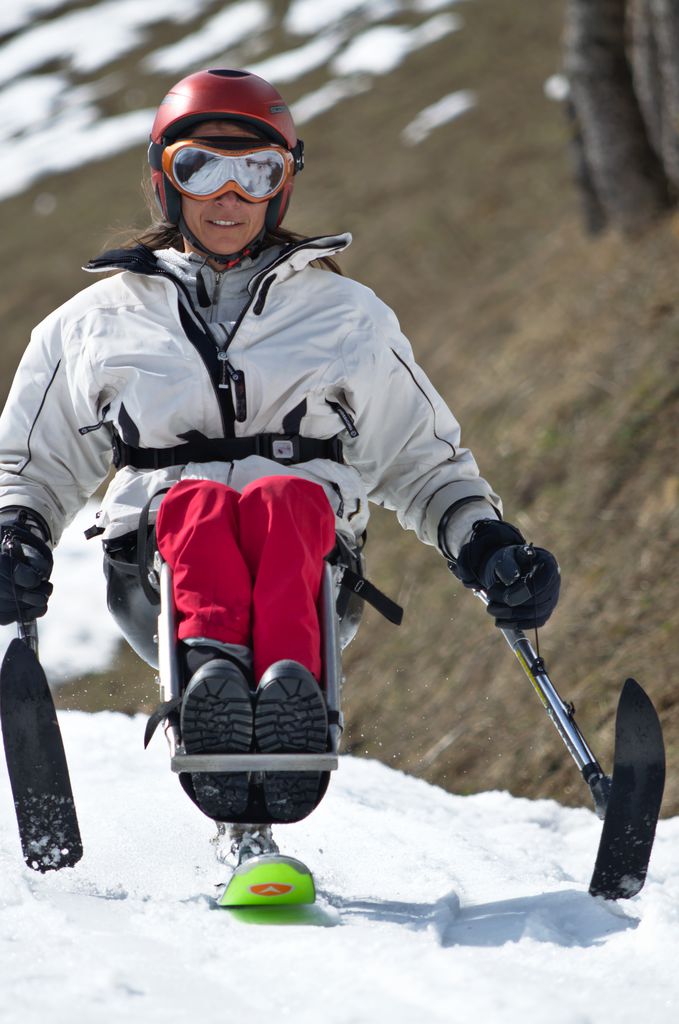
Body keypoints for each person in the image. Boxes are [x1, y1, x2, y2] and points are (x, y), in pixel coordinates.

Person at [0, 68, 559, 860]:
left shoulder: (346, 317)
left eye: (257, 172)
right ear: (164, 178)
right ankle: (214, 700)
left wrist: (485, 543)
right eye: (202, 168)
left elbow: (419, 458)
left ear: (284, 183)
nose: (229, 196)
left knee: (285, 499)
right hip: (155, 572)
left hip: (310, 570)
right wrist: (16, 531)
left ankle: (284, 704)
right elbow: (30, 462)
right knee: (198, 506)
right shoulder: (93, 325)